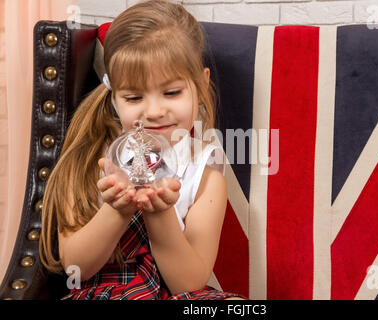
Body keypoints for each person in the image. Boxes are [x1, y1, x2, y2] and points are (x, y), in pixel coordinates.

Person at [39, 0, 245, 300]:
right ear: (114, 98)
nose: (154, 111)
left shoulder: (204, 175)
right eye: (134, 97)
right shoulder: (90, 156)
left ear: (200, 86)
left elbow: (187, 285)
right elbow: (74, 268)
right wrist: (117, 210)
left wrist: (160, 213)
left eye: (171, 92)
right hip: (104, 293)